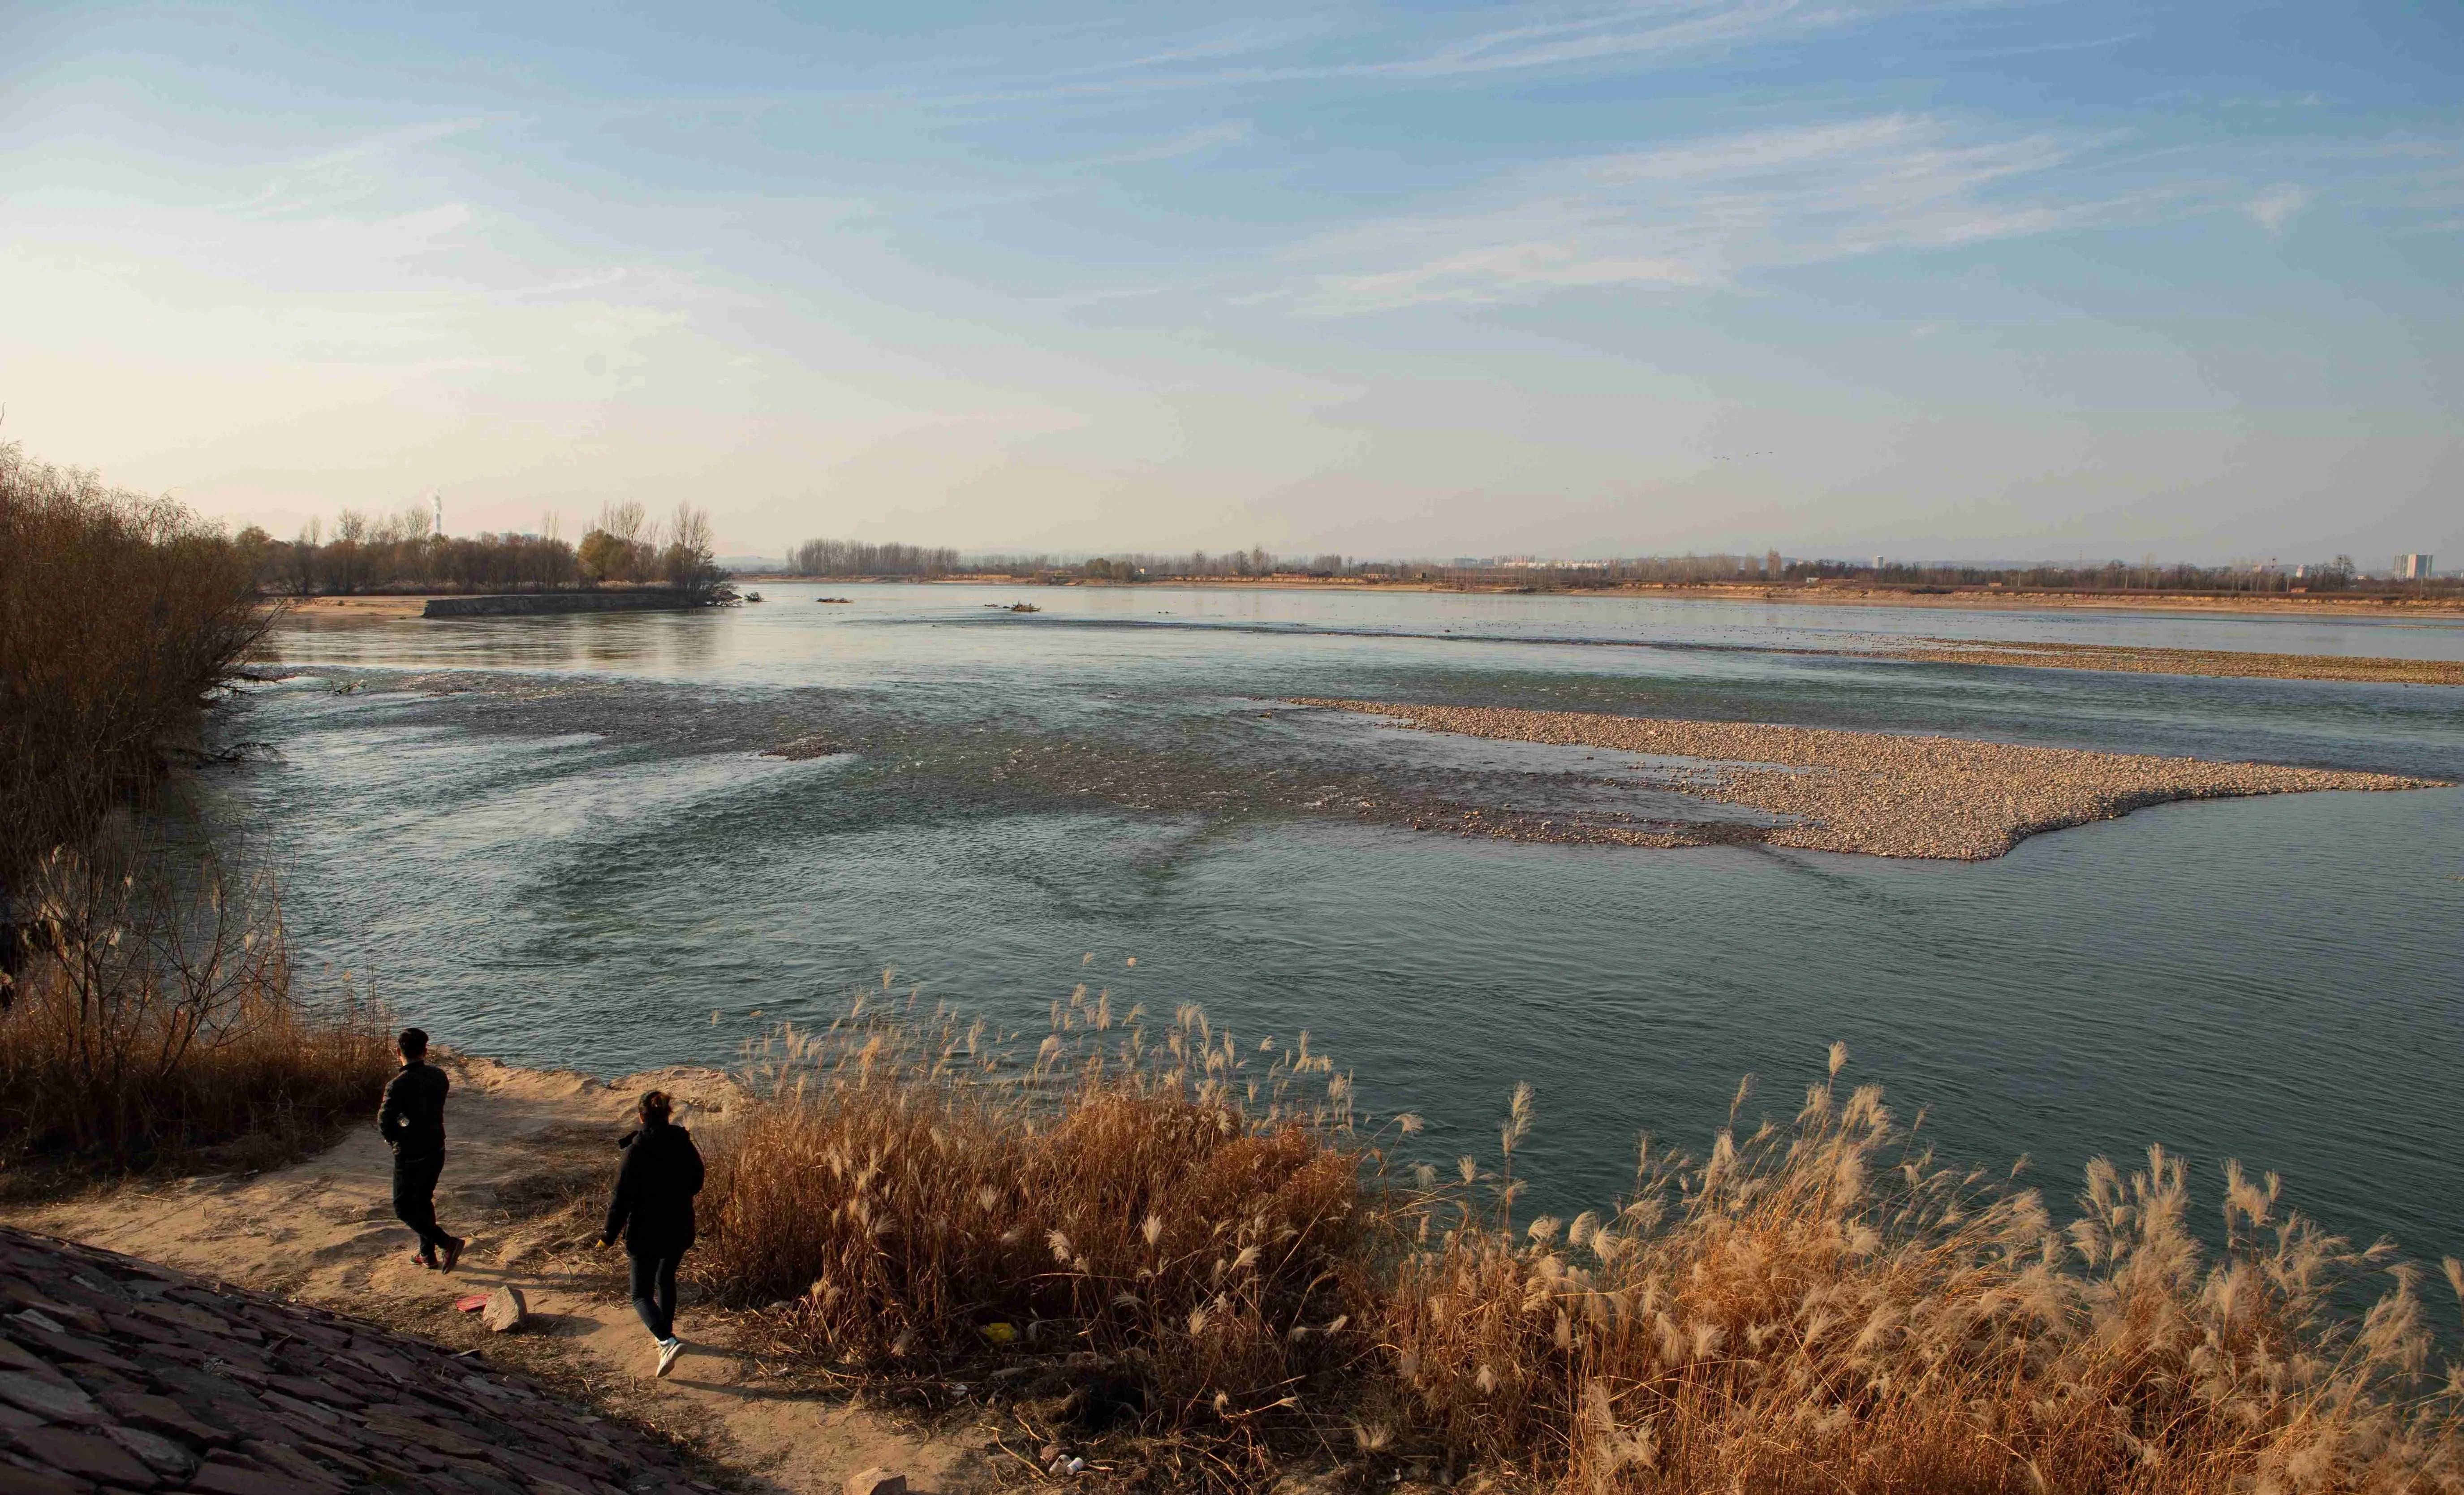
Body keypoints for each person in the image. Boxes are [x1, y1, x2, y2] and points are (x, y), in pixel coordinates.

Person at [599, 1090, 704, 1377]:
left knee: (640, 1294)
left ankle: (666, 1341)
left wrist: (608, 1234)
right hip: (680, 1226)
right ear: (668, 1115)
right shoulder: (683, 1142)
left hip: (646, 1231)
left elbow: (621, 1198)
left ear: (641, 1116)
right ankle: (665, 1340)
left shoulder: (637, 1149)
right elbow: (697, 1182)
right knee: (665, 1279)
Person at [377, 1027, 464, 1272]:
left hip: (410, 1153)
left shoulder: (397, 1085)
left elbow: (384, 1122)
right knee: (423, 1201)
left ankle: (447, 1243)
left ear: (398, 1052)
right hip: (436, 1147)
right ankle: (427, 1254)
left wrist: (395, 1139)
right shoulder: (439, 1076)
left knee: (403, 1207)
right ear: (426, 1051)